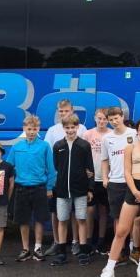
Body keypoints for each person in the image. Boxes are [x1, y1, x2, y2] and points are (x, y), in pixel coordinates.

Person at [97, 119, 140, 277]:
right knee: (121, 231)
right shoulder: (130, 147)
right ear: (137, 131)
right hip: (133, 189)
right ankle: (109, 269)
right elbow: (127, 171)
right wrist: (135, 192)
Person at [8, 115, 56, 263]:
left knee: (40, 219)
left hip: (39, 188)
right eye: (29, 129)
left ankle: (37, 248)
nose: (31, 132)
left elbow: (52, 170)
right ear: (24, 129)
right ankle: (25, 249)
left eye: (34, 129)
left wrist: (49, 188)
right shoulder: (16, 147)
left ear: (38, 129)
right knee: (23, 220)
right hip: (21, 188)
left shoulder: (44, 146)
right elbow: (9, 168)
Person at [43, 99, 87, 259]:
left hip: (76, 181)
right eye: (60, 111)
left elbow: (84, 153)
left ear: (72, 111)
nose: (63, 114)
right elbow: (50, 157)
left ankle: (76, 241)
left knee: (77, 213)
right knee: (57, 213)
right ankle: (57, 242)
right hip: (59, 181)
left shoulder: (81, 128)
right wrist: (52, 179)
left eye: (66, 111)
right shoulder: (53, 130)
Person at [50, 114, 95, 266]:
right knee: (62, 220)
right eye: (67, 128)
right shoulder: (58, 146)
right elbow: (56, 167)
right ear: (63, 128)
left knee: (81, 219)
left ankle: (83, 251)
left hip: (80, 189)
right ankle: (62, 252)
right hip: (62, 190)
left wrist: (90, 188)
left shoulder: (84, 145)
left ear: (78, 127)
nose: (70, 130)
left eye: (73, 127)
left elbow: (90, 168)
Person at [99, 107, 137, 260]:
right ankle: (121, 250)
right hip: (115, 182)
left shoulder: (134, 134)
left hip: (133, 181)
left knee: (135, 218)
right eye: (111, 119)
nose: (114, 121)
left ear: (122, 117)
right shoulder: (107, 138)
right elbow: (104, 160)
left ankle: (134, 249)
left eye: (116, 118)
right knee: (117, 217)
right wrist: (105, 178)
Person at [83, 108, 111, 254]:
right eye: (99, 118)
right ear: (95, 118)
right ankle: (88, 241)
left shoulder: (111, 134)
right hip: (91, 179)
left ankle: (101, 241)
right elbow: (82, 154)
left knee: (104, 210)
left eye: (104, 119)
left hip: (106, 178)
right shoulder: (88, 134)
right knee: (90, 210)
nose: (102, 121)